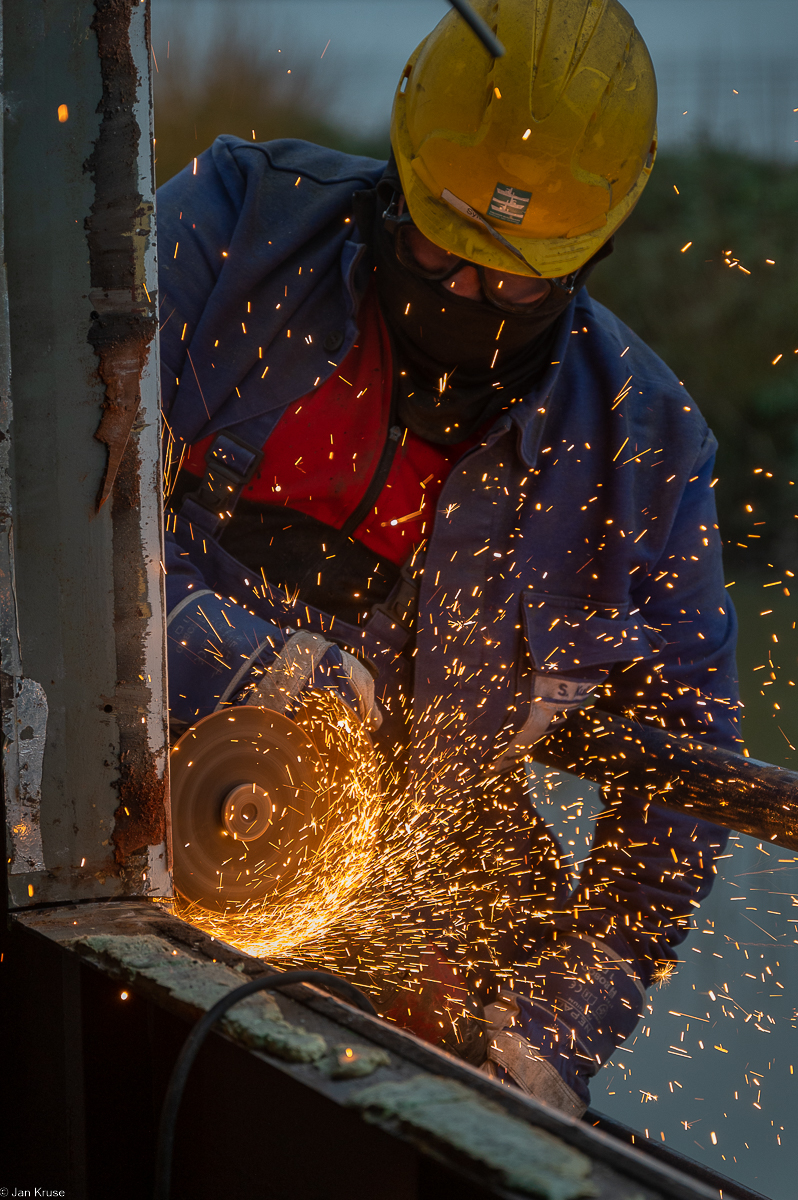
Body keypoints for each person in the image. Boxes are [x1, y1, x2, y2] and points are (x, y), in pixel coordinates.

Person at [157, 0, 740, 1116]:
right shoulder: (230, 233)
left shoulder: (644, 444)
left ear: (588, 253)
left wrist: (554, 1033)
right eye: (438, 250)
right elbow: (28, 489)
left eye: (513, 279)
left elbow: (691, 760)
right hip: (124, 805)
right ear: (401, 177)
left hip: (417, 907)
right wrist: (228, 661)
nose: (465, 295)